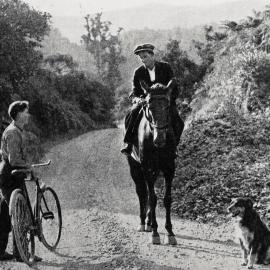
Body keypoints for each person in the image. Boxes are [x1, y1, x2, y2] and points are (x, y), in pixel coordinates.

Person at [121, 43, 184, 155]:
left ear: (152, 55)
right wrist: (139, 100)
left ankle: (175, 144)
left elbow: (175, 89)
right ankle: (128, 143)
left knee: (177, 119)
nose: (143, 60)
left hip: (164, 102)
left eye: (145, 56)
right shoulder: (138, 72)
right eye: (141, 58)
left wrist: (168, 99)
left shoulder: (166, 67)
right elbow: (135, 92)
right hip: (146, 103)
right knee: (132, 114)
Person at [0, 100, 42, 262]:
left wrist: (27, 168)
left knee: (5, 215)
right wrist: (30, 168)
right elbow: (15, 159)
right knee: (20, 215)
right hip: (10, 175)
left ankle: (5, 251)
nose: (28, 114)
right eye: (25, 111)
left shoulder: (17, 130)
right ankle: (22, 253)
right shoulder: (12, 132)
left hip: (14, 174)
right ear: (18, 114)